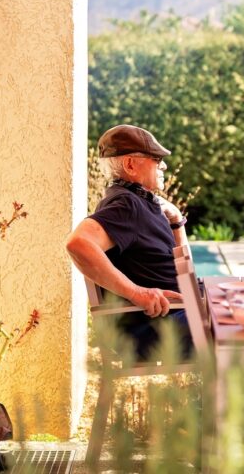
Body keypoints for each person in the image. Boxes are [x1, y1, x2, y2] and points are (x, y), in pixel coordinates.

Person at [66, 124, 191, 360]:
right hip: (159, 327)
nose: (164, 165)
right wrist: (137, 293)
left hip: (178, 314)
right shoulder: (126, 205)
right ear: (130, 164)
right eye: (156, 159)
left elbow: (186, 272)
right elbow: (78, 243)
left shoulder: (138, 201)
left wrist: (176, 221)